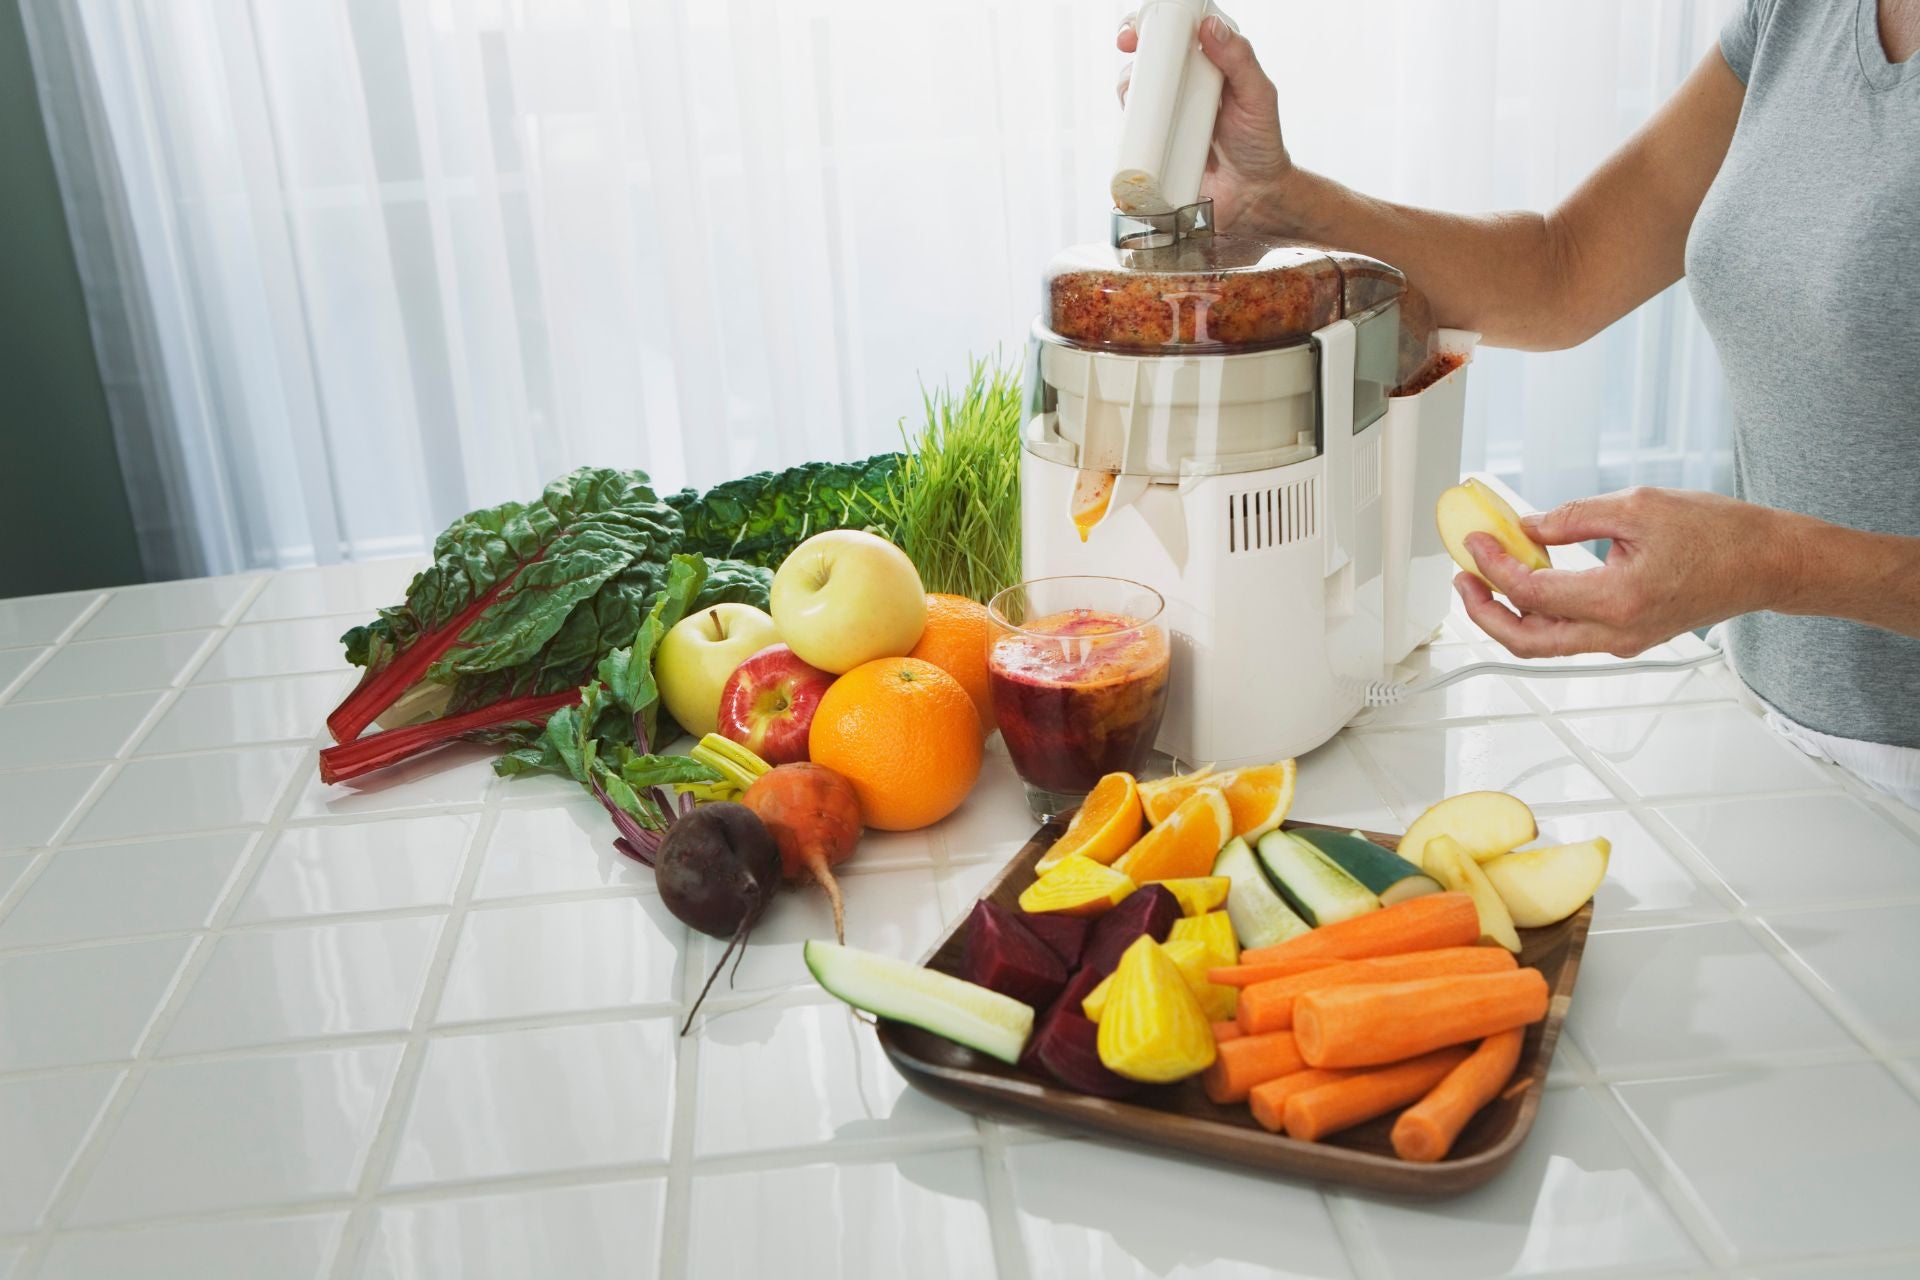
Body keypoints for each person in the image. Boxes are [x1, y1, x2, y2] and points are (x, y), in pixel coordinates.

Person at [1120, 1, 1920, 807]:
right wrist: (1273, 200)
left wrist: (1772, 563)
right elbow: (1564, 270)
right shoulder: (1799, 14)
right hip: (1765, 731)